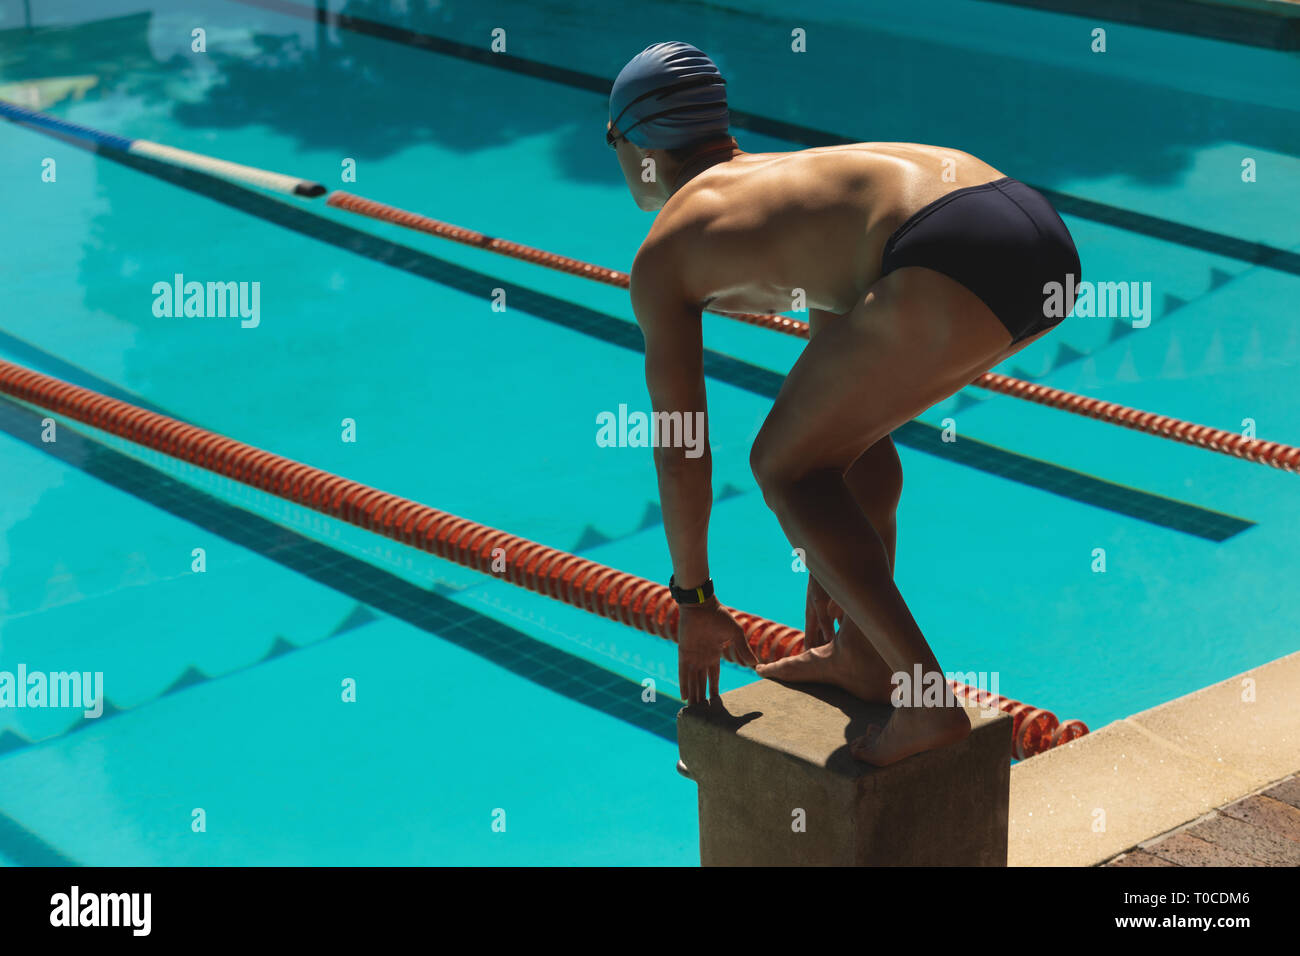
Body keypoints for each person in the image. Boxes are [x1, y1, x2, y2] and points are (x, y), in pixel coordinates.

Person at [610, 41, 1080, 765]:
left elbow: (681, 447)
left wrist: (694, 600)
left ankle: (925, 704)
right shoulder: (789, 187)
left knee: (782, 466)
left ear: (636, 143)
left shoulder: (665, 252)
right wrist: (840, 567)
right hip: (1031, 230)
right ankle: (864, 657)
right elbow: (857, 429)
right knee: (819, 454)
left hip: (949, 248)